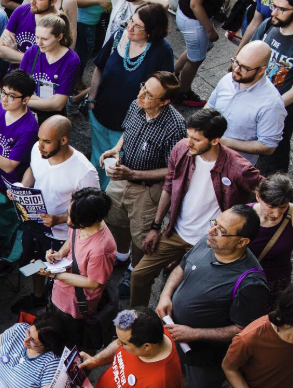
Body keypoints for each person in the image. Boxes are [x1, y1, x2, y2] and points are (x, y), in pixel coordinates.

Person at [131, 109, 262, 307]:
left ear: (215, 140)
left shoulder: (238, 167)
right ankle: (137, 320)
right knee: (139, 275)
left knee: (187, 294)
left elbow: (267, 191)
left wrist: (257, 213)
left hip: (209, 241)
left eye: (196, 139)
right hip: (175, 232)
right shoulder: (182, 149)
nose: (188, 142)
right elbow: (169, 185)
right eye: (188, 136)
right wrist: (156, 227)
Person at [157, 206, 271, 388]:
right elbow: (183, 266)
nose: (212, 232)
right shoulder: (210, 240)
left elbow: (243, 330)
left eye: (221, 230)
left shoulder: (251, 283)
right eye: (214, 224)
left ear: (242, 242)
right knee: (179, 377)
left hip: (206, 357)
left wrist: (194, 334)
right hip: (177, 339)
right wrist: (165, 295)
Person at [12, 116, 99, 312]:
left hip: (62, 235)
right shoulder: (38, 150)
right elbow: (33, 169)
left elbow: (89, 213)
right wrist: (22, 189)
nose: (40, 145)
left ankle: (54, 306)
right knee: (34, 263)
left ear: (63, 140)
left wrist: (58, 219)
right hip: (34, 223)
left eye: (47, 141)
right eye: (39, 139)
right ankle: (37, 296)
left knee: (57, 272)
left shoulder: (85, 172)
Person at [102, 71, 186, 275]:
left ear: (165, 101)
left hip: (147, 191)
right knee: (117, 221)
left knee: (141, 237)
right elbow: (127, 131)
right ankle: (122, 256)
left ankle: (134, 271)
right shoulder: (136, 105)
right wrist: (116, 149)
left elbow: (173, 170)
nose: (141, 95)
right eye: (143, 87)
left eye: (149, 95)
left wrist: (133, 175)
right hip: (121, 177)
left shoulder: (175, 127)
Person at [87, 4, 175, 187]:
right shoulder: (119, 36)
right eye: (131, 21)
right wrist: (91, 99)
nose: (130, 27)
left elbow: (165, 89)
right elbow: (100, 68)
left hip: (128, 125)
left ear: (151, 32)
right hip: (100, 112)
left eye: (138, 26)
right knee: (97, 160)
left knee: (116, 167)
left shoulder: (162, 52)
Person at [43, 187, 117, 350]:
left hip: (76, 304)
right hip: (60, 294)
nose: (68, 220)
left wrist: (56, 276)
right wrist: (60, 253)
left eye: (71, 217)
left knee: (70, 342)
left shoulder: (101, 249)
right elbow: (71, 240)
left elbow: (94, 283)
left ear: (87, 219)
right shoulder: (81, 222)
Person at [206, 40, 286, 167]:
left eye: (245, 68)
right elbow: (210, 106)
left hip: (233, 166)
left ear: (261, 70)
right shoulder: (228, 79)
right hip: (206, 154)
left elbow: (268, 146)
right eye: (236, 62)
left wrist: (223, 142)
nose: (236, 69)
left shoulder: (272, 104)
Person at [250, 0, 293, 176]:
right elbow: (251, 53)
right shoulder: (269, 25)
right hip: (255, 97)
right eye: (274, 6)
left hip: (280, 109)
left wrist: (272, 107)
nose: (274, 12)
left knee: (274, 156)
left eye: (282, 9)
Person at [19, 14, 80, 123]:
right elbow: (18, 86)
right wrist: (46, 101)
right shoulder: (32, 51)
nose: (39, 43)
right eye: (37, 37)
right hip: (27, 114)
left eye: (44, 39)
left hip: (52, 119)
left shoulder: (71, 60)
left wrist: (22, 100)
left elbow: (58, 104)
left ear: (59, 37)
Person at [0, 0, 63, 70]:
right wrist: (30, 58)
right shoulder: (21, 11)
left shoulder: (60, 24)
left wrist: (15, 53)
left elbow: (50, 64)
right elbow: (0, 50)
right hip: (14, 77)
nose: (32, 2)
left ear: (53, 1)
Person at [248, 174, 293, 301]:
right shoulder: (242, 215)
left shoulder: (292, 214)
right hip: (245, 282)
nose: (277, 213)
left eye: (283, 207)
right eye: (271, 207)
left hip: (278, 284)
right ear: (258, 197)